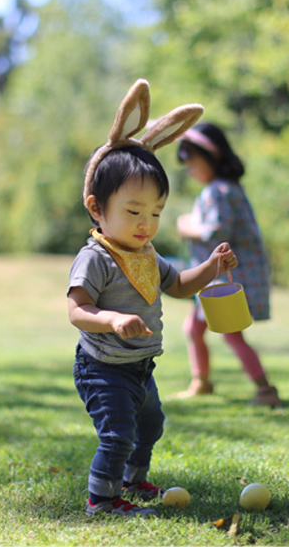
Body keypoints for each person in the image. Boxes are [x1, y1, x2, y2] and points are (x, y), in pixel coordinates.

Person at [67, 80, 239, 517]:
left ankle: (133, 480)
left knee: (151, 425)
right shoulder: (96, 258)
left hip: (141, 366)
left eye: (156, 213)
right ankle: (102, 500)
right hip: (103, 367)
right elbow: (76, 310)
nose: (146, 224)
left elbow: (179, 284)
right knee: (118, 434)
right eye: (133, 212)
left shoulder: (146, 255)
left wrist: (212, 268)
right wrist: (112, 320)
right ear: (96, 207)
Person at [174, 122, 281, 407]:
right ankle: (201, 382)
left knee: (232, 335)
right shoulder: (226, 188)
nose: (190, 170)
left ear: (212, 156)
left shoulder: (217, 190)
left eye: (192, 163)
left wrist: (187, 227)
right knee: (194, 329)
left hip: (228, 276)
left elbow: (216, 231)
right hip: (225, 276)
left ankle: (265, 390)